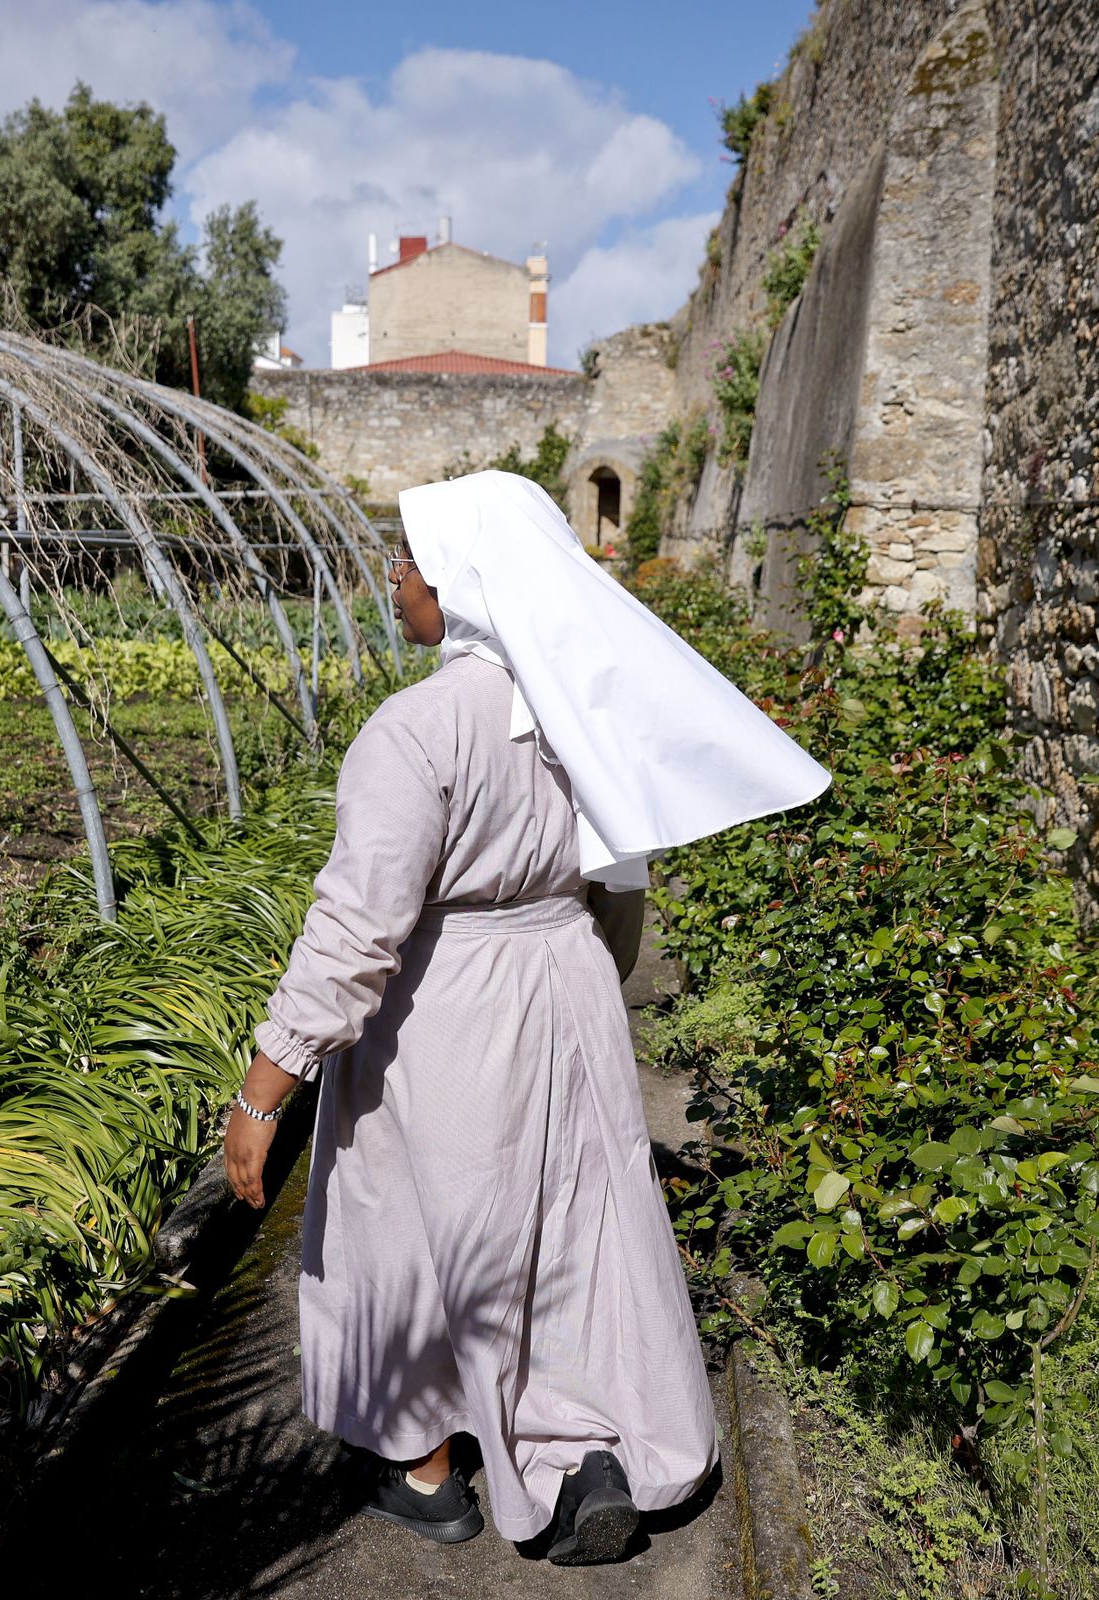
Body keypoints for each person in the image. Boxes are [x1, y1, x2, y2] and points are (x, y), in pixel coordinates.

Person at [222, 470, 831, 1564]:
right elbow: (624, 885)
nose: (394, 580)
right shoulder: (577, 706)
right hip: (566, 980)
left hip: (441, 1008)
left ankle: (426, 1471)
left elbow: (356, 929)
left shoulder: (415, 732)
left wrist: (269, 1083)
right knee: (567, 1220)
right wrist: (584, 977)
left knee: (413, 1227)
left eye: (408, 560)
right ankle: (583, 1447)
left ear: (460, 582)